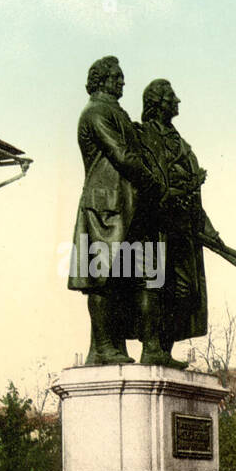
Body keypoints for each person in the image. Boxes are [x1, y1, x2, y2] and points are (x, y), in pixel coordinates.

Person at [132, 79, 236, 367]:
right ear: (157, 103)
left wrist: (211, 233)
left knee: (182, 291)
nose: (178, 101)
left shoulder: (182, 144)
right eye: (171, 97)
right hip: (154, 225)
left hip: (183, 230)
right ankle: (151, 347)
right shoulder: (142, 136)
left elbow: (195, 197)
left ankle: (164, 349)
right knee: (153, 284)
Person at [66, 56, 161, 365]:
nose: (122, 82)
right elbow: (122, 156)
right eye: (117, 77)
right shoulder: (96, 113)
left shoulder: (115, 113)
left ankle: (110, 348)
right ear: (100, 80)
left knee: (121, 278)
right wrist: (152, 179)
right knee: (102, 277)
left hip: (124, 206)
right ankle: (104, 348)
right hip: (105, 206)